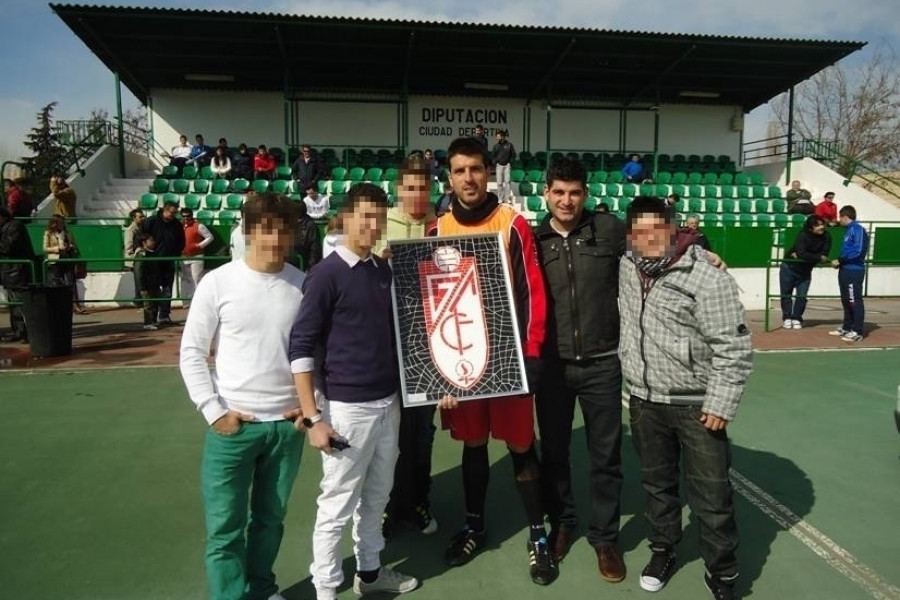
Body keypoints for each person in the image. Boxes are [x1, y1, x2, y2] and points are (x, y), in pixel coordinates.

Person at [431, 137, 555, 586]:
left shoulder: (512, 223)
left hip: (508, 362)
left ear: (489, 173)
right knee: (474, 444)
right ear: (449, 175)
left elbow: (532, 294)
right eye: (460, 170)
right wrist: (432, 374)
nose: (469, 178)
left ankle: (539, 536)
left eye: (476, 169)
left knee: (522, 445)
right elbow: (425, 310)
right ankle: (474, 526)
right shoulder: (437, 230)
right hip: (461, 365)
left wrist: (532, 355)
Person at [289, 183, 419, 600]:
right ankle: (325, 589)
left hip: (388, 404)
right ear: (344, 218)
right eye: (363, 216)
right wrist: (313, 418)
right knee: (337, 504)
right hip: (348, 409)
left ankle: (370, 572)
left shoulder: (381, 269)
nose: (370, 225)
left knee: (377, 495)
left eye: (378, 218)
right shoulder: (324, 275)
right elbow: (301, 347)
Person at [619, 196, 752, 600]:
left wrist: (720, 402)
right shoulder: (625, 266)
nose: (648, 239)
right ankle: (663, 551)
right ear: (630, 236)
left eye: (656, 230)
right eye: (639, 232)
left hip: (696, 404)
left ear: (672, 229)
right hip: (644, 400)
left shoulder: (707, 276)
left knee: (711, 496)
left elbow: (734, 345)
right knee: (658, 487)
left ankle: (723, 573)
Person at [180, 192, 306, 600]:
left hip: (286, 429)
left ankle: (262, 588)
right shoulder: (218, 282)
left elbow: (316, 353)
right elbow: (192, 353)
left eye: (283, 230)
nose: (274, 238)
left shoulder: (303, 285)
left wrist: (309, 406)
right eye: (265, 229)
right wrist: (214, 412)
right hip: (233, 429)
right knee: (225, 530)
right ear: (249, 232)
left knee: (271, 521)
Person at [533, 158, 627, 582]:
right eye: (558, 192)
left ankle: (605, 537)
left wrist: (698, 252)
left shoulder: (609, 230)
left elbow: (657, 243)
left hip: (603, 363)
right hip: (551, 366)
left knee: (605, 456)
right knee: (554, 453)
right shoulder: (532, 239)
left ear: (585, 194)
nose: (566, 200)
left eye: (574, 192)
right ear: (546, 193)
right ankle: (564, 523)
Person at [378, 156, 439, 541]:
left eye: (423, 187)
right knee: (387, 433)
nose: (417, 195)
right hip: (385, 345)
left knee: (421, 432)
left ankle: (417, 500)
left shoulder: (441, 226)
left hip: (431, 346)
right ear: (399, 190)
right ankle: (386, 504)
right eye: (410, 188)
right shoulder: (381, 224)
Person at [780, 215, 831, 330]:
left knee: (802, 296)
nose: (822, 227)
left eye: (822, 224)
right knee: (786, 294)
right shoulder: (802, 235)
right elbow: (803, 253)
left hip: (806, 271)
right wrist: (816, 257)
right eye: (817, 225)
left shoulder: (827, 236)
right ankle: (787, 318)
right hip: (789, 268)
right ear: (810, 228)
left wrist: (807, 256)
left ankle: (797, 318)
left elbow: (823, 255)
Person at [141, 200, 185, 325]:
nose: (174, 215)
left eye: (175, 213)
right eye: (172, 212)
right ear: (164, 210)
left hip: (168, 261)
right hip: (152, 261)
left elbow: (181, 241)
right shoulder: (151, 221)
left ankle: (164, 315)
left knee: (167, 289)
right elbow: (141, 237)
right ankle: (151, 318)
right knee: (152, 290)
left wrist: (175, 253)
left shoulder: (176, 224)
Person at [830, 205, 868, 342]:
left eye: (841, 217)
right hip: (845, 269)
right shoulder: (849, 230)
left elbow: (858, 251)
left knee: (854, 300)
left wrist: (840, 260)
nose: (839, 220)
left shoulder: (858, 229)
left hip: (854, 270)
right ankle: (847, 326)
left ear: (845, 217)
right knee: (846, 300)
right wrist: (841, 263)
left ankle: (857, 331)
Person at [0, 207, 36, 342]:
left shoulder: (14, 226)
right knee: (14, 304)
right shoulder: (7, 227)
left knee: (20, 303)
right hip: (10, 272)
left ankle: (25, 332)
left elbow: (8, 247)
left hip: (17, 271)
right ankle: (19, 331)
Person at [42, 214, 87, 313]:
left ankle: (75, 305)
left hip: (68, 259)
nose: (62, 224)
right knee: (57, 283)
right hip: (55, 261)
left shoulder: (68, 233)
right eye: (60, 222)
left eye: (63, 222)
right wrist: (57, 248)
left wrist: (71, 247)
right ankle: (59, 306)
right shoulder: (48, 233)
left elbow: (75, 246)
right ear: (54, 223)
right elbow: (45, 248)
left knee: (71, 282)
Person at [181, 208, 215, 303]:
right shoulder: (180, 226)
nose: (186, 218)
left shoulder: (198, 226)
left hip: (197, 256)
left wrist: (199, 245)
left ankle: (199, 301)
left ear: (192, 216)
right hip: (184, 257)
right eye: (184, 216)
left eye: (188, 216)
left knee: (196, 279)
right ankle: (187, 302)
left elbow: (210, 237)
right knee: (186, 280)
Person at [134, 232, 162, 330]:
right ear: (144, 242)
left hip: (154, 283)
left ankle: (153, 320)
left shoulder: (152, 253)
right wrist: (141, 287)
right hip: (147, 284)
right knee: (148, 303)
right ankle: (148, 322)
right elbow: (139, 271)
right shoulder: (142, 255)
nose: (153, 242)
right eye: (151, 240)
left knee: (155, 302)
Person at [124, 208, 146, 306]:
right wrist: (136, 252)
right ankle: (139, 300)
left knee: (141, 279)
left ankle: (140, 300)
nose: (142, 218)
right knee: (139, 280)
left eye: (142, 216)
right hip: (134, 259)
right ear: (134, 218)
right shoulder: (131, 230)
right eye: (140, 217)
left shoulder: (142, 227)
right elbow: (128, 247)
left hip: (140, 258)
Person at [293, 201, 322, 271]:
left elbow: (314, 249)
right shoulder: (289, 223)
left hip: (304, 264)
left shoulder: (310, 226)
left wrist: (310, 268)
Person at [491, 130, 517, 203]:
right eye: (497, 137)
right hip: (499, 166)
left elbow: (513, 155)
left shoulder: (509, 145)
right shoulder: (496, 146)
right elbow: (492, 156)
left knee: (507, 182)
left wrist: (510, 162)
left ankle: (507, 198)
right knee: (499, 183)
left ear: (503, 137)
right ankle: (500, 198)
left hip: (507, 166)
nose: (497, 138)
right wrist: (495, 162)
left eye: (498, 136)